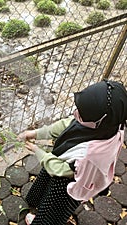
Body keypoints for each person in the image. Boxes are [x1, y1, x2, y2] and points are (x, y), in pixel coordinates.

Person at [18, 79, 127, 225]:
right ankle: (38, 205)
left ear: (100, 121)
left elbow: (61, 170)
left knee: (53, 210)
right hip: (61, 164)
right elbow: (66, 124)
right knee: (46, 185)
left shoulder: (91, 156)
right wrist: (36, 133)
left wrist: (39, 152)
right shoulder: (105, 124)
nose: (76, 114)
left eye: (81, 114)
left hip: (69, 182)